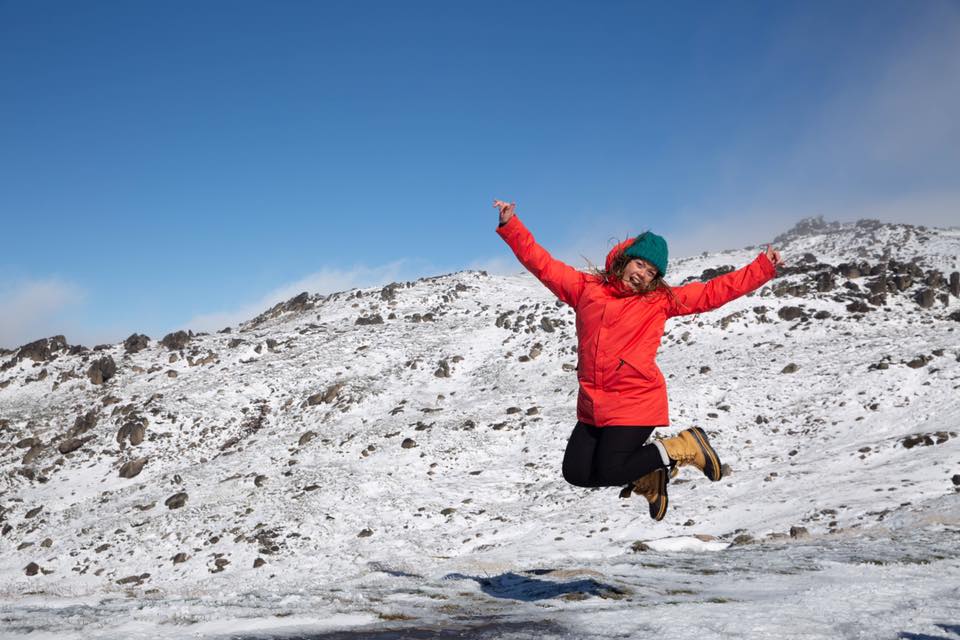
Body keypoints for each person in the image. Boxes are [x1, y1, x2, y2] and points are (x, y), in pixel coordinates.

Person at [493, 199, 784, 521]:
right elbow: (542, 264)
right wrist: (512, 226)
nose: (643, 274)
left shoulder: (659, 301)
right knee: (576, 473)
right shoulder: (584, 289)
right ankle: (649, 475)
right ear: (623, 260)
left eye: (651, 272)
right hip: (594, 401)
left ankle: (683, 445)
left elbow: (712, 292)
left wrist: (762, 268)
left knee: (613, 469)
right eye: (640, 264)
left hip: (635, 399)